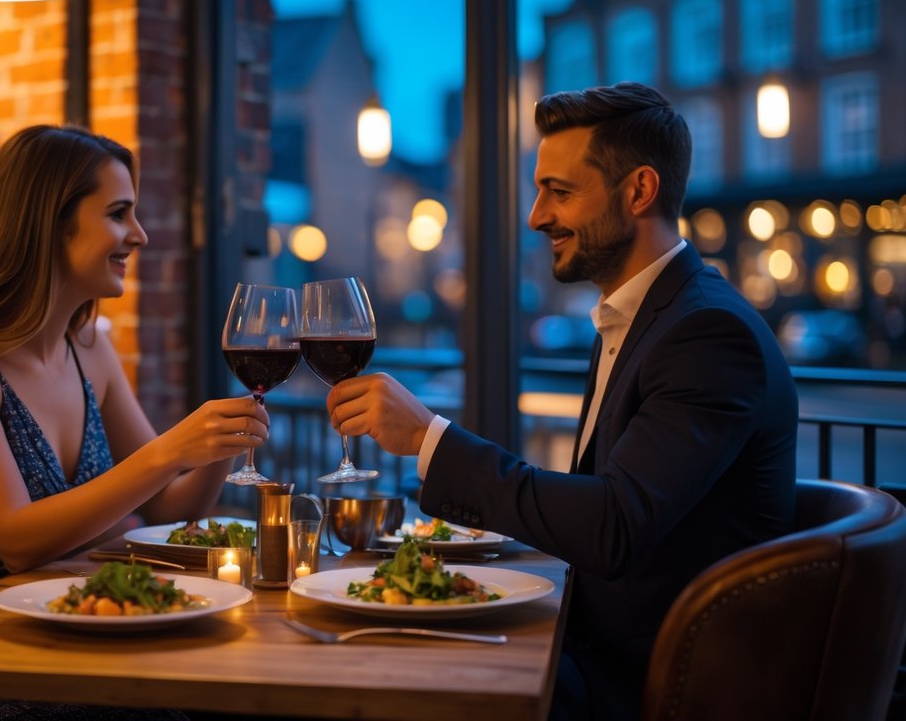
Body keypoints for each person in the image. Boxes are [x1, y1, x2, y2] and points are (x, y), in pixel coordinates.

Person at [326, 83, 798, 720]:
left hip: (648, 687)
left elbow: (611, 525)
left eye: (560, 191)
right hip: (600, 654)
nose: (536, 216)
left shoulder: (707, 333)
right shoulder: (646, 317)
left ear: (639, 191)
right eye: (539, 190)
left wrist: (428, 437)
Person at [0, 125, 268, 720]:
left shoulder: (87, 346)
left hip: (58, 635)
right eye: (118, 213)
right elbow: (15, 541)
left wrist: (216, 445)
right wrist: (168, 451)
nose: (139, 235)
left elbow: (169, 510)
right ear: (49, 223)